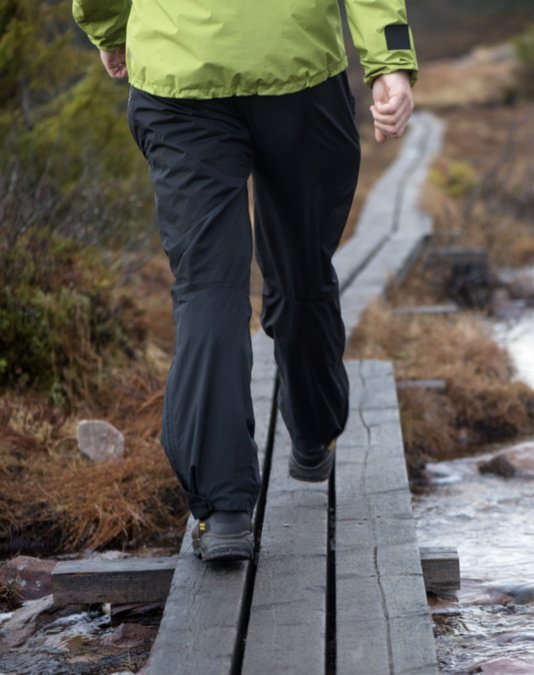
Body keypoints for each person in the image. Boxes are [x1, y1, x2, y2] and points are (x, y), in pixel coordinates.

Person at [72, 0, 417, 562]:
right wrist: (389, 62)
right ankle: (313, 429)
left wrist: (111, 31)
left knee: (208, 287)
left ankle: (226, 509)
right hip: (297, 67)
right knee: (302, 265)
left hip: (179, 73)